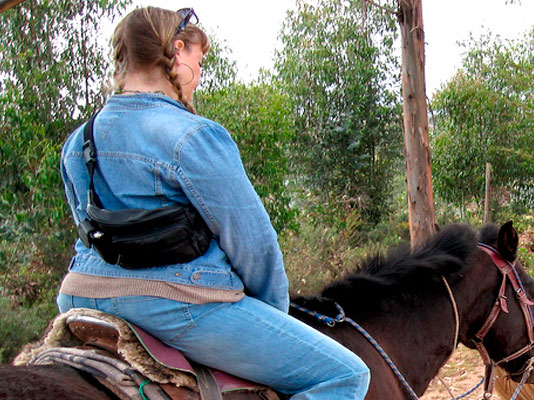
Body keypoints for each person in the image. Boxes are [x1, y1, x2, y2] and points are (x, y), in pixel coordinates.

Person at [56, 7, 370, 399]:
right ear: (177, 50)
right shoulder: (195, 136)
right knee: (347, 375)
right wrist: (273, 317)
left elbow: (91, 232)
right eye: (199, 61)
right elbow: (253, 244)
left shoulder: (78, 142)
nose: (199, 75)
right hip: (179, 307)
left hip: (81, 294)